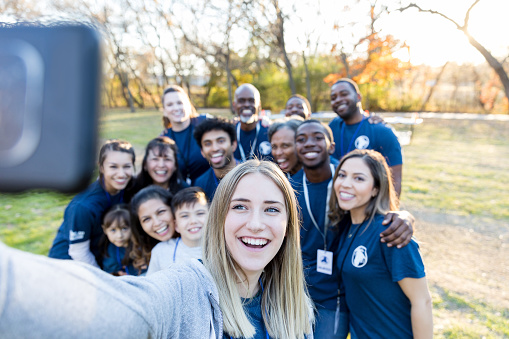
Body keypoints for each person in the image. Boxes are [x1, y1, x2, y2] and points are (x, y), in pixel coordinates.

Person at [0, 160, 314, 338]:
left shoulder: (293, 302)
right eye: (241, 207)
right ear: (218, 219)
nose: (257, 223)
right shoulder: (188, 290)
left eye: (272, 210)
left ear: (289, 226)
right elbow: (120, 307)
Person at [292, 119, 414, 338]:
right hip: (298, 291)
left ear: (331, 146)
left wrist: (404, 216)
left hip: (337, 295)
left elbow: (377, 203)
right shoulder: (291, 187)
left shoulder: (346, 176)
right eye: (301, 139)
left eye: (318, 137)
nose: (309, 143)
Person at [330, 149, 432, 338]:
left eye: (359, 179)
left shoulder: (391, 233)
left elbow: (422, 301)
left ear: (376, 188)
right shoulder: (347, 228)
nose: (345, 184)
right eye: (342, 175)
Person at [48, 139, 135, 268]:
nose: (121, 174)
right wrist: (103, 278)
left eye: (127, 166)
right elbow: (78, 252)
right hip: (69, 265)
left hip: (101, 258)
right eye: (113, 167)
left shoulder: (127, 188)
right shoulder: (83, 206)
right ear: (101, 167)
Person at [328, 78, 403, 196]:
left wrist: (389, 211)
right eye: (333, 98)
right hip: (339, 201)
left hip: (370, 206)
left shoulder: (382, 131)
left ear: (358, 97)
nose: (338, 100)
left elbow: (395, 179)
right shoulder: (332, 127)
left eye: (344, 94)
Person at [146, 187, 208, 275]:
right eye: (185, 216)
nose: (193, 221)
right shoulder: (161, 251)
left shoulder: (224, 248)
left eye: (200, 213)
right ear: (176, 225)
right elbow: (152, 286)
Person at [160, 85, 211, 184]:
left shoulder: (206, 122)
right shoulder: (163, 139)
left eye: (180, 103)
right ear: (164, 111)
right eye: (170, 104)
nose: (176, 108)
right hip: (183, 194)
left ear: (188, 105)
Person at [125, 136, 188, 202]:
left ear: (175, 165)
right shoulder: (131, 189)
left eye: (167, 159)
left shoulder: (184, 193)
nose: (161, 165)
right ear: (145, 164)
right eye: (155, 159)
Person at [129, 185, 176, 273]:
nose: (157, 223)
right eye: (146, 219)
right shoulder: (150, 254)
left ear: (173, 209)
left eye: (161, 212)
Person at [194, 117, 239, 201]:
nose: (214, 148)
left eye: (221, 141)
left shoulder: (252, 174)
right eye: (207, 144)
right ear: (202, 152)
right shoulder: (200, 184)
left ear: (233, 145)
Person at [233, 83, 273, 162]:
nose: (247, 105)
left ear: (259, 105)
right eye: (241, 101)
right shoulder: (228, 132)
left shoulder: (269, 131)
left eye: (252, 101)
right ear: (234, 105)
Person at [99, 204, 137, 276]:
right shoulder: (109, 251)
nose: (119, 236)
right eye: (113, 230)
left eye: (124, 228)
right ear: (104, 229)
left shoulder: (142, 245)